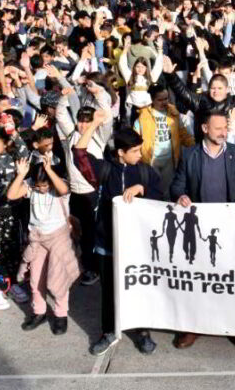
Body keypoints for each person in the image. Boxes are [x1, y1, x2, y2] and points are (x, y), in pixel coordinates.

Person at [170, 110, 235, 349]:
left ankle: (233, 326)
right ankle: (193, 328)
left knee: (229, 280)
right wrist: (180, 196)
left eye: (225, 128)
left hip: (231, 229)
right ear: (204, 129)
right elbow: (177, 185)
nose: (223, 132)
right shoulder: (189, 155)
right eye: (218, 128)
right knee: (198, 279)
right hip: (199, 230)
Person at [76, 118, 162, 357]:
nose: (139, 154)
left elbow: (161, 197)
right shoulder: (104, 170)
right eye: (134, 151)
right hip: (108, 245)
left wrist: (142, 190)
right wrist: (93, 124)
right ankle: (108, 332)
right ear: (120, 153)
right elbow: (79, 154)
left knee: (139, 289)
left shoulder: (145, 171)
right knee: (109, 292)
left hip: (138, 247)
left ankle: (142, 332)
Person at [10, 152, 80, 336]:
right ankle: (39, 312)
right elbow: (11, 195)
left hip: (58, 236)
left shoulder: (58, 187)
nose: (41, 189)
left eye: (44, 185)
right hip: (37, 237)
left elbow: (64, 190)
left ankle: (60, 314)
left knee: (59, 276)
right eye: (38, 186)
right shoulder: (30, 186)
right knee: (35, 279)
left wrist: (49, 170)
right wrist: (20, 175)